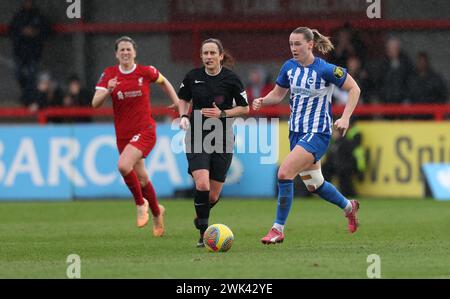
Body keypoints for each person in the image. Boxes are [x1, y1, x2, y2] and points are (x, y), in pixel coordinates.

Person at [252, 27, 361, 244]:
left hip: (318, 133)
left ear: (310, 45)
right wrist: (263, 100)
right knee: (315, 185)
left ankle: (277, 229)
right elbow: (278, 94)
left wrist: (345, 117)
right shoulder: (289, 67)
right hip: (296, 132)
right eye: (291, 44)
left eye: (298, 44)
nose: (293, 48)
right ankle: (349, 207)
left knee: (284, 173)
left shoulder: (326, 69)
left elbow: (354, 89)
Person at [92, 36, 180, 237]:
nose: (125, 53)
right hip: (123, 135)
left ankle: (141, 204)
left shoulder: (144, 71)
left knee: (123, 166)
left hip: (145, 130)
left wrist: (176, 102)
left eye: (128, 49)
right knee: (141, 178)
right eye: (121, 50)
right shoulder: (109, 75)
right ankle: (158, 212)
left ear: (134, 52)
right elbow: (95, 103)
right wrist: (108, 91)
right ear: (116, 54)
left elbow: (164, 81)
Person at [177, 38, 250, 247]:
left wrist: (223, 113)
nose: (208, 57)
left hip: (222, 135)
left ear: (220, 56)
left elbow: (245, 108)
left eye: (212, 53)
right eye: (205, 53)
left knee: (213, 195)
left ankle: (200, 215)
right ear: (201, 56)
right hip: (197, 133)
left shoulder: (231, 79)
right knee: (202, 184)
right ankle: (203, 233)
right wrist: (183, 115)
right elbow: (183, 98)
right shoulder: (193, 77)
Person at [8, 0, 51, 107]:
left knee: (32, 78)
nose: (28, 4)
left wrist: (35, 32)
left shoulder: (38, 16)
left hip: (34, 53)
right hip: (20, 53)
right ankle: (26, 99)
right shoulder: (18, 16)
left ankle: (30, 101)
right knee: (20, 76)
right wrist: (22, 32)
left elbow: (47, 30)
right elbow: (11, 31)